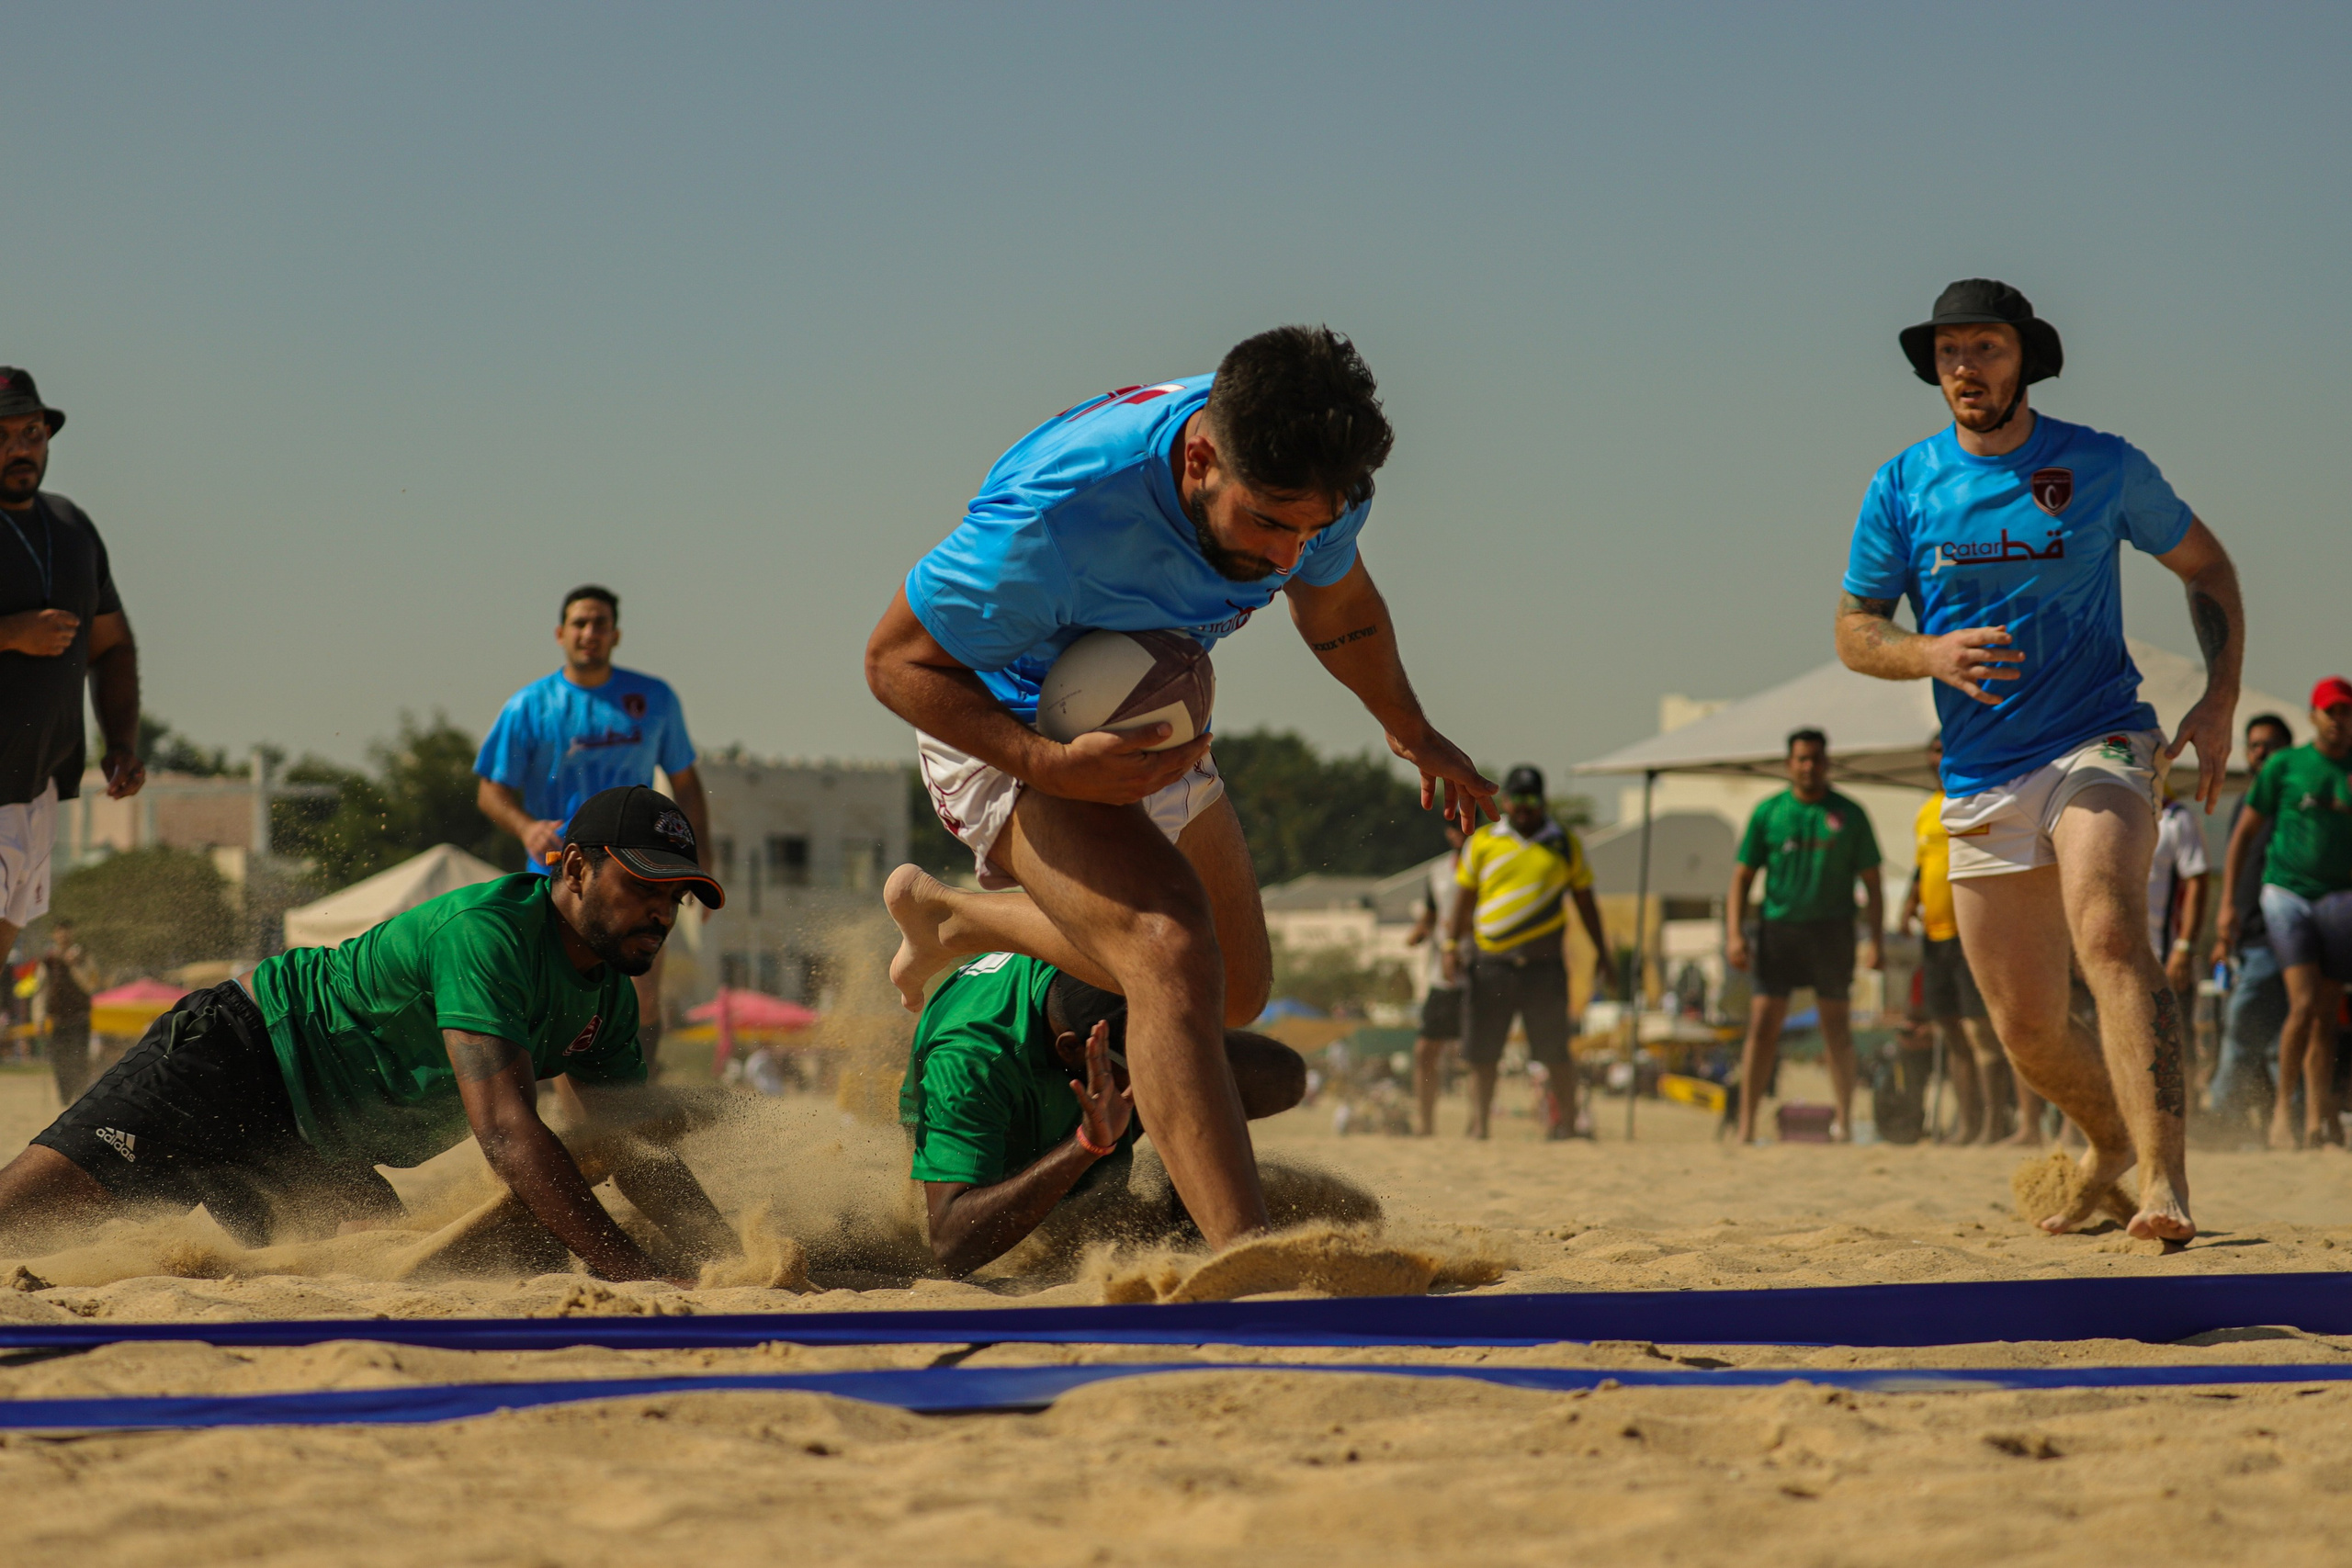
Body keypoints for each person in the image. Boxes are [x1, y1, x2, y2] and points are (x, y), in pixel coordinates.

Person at [865, 326, 1492, 1247]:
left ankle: (958, 919)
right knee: (1166, 948)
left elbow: (1338, 601)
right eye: (1269, 524)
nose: (1289, 555)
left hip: (1145, 708)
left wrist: (1410, 727)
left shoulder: (1309, 474)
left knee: (1232, 992)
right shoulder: (1053, 523)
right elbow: (894, 664)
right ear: (1200, 461)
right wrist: (1048, 764)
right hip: (1004, 724)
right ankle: (1248, 1255)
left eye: (1310, 529)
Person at [1837, 279, 2243, 1241]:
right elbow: (1855, 629)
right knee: (2024, 1028)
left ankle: (2165, 1183)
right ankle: (2108, 1141)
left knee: (2107, 929)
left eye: (1985, 347)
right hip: (1981, 770)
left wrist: (2220, 695)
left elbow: (2207, 566)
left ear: (2025, 359)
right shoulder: (1902, 484)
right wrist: (1926, 654)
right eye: (1949, 351)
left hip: (2099, 734)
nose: (1964, 367)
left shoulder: (2100, 464)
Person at [0, 787, 733, 1279]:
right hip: (235, 1054)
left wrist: (727, 1258)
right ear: (574, 866)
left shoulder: (609, 999)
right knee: (13, 1225)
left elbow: (634, 1148)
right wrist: (634, 1271)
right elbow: (508, 1135)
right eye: (643, 884)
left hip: (315, 1148)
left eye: (676, 896)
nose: (661, 911)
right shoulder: (490, 934)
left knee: (399, 1271)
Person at [901, 953, 1306, 1276]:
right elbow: (950, 1244)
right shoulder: (970, 1067)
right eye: (1140, 1064)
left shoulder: (1095, 956)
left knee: (1267, 1076)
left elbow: (1285, 1076)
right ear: (1071, 1048)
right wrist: (1084, 1146)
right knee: (1072, 1206)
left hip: (1051, 1070)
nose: (1159, 1077)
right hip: (994, 1112)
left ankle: (1186, 1207)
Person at [475, 585, 711, 1070]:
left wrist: (699, 863)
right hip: (558, 872)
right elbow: (490, 792)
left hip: (636, 869)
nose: (590, 632)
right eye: (580, 623)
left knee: (643, 992)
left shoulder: (654, 698)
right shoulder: (528, 705)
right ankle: (559, 1104)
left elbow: (687, 785)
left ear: (615, 635)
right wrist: (526, 827)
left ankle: (638, 1096)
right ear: (560, 633)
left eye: (600, 623)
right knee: (560, 1002)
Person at [0, 367, 144, 983]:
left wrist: (121, 743)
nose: (20, 448)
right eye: (2, 435)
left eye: (32, 432)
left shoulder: (71, 527)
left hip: (38, 791)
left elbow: (112, 646)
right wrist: (11, 632)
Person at [1726, 729, 1885, 1142]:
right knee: (1763, 1025)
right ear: (1789, 764)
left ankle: (1845, 1122)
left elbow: (1873, 881)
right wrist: (1734, 934)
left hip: (1833, 929)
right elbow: (1741, 877)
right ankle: (1745, 1126)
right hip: (1778, 929)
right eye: (1801, 759)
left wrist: (1877, 940)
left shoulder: (1849, 813)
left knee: (1836, 1028)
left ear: (1826, 763)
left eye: (1816, 758)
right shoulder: (1769, 812)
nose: (1809, 766)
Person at [1442, 766, 1615, 1140]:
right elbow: (1463, 900)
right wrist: (1451, 946)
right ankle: (1480, 1127)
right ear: (1505, 801)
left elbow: (1586, 904)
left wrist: (1603, 952)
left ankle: (1568, 1127)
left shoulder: (1564, 843)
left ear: (1543, 800)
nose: (1524, 807)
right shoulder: (1483, 841)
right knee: (1482, 1053)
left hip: (1544, 968)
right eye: (1517, 799)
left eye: (1531, 799)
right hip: (1491, 965)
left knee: (1556, 1053)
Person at [2217, 679, 2352, 1150]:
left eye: (2347, 711)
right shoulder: (2286, 766)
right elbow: (2243, 835)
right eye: (2331, 711)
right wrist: (2227, 903)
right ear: (2313, 716)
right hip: (2287, 895)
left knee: (2326, 1014)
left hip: (2340, 899)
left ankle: (2316, 1118)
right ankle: (2279, 1115)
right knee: (2303, 1005)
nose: (2339, 720)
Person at [1900, 735, 2026, 1145]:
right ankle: (1968, 1125)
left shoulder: (1981, 800)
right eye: (1935, 751)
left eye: (1946, 748)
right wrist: (1908, 904)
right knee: (1952, 1035)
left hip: (1975, 935)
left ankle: (1993, 1124)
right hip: (1934, 937)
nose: (1941, 757)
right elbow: (1923, 867)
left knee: (1981, 1035)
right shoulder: (1927, 810)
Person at [2207, 712, 2296, 1134]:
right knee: (2251, 1033)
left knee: (2263, 1033)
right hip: (2249, 938)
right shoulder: (2245, 803)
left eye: (2270, 745)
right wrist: (2226, 928)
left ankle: (2233, 1118)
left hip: (2287, 934)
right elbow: (2238, 873)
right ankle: (2238, 1121)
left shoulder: (2293, 801)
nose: (2261, 752)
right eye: (2254, 745)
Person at [1403, 821, 1469, 1135]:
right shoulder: (1439, 871)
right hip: (1441, 974)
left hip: (1477, 966)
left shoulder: (1488, 865)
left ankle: (1477, 1124)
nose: (1459, 832)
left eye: (1465, 826)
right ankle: (1426, 1124)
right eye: (1454, 826)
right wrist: (1420, 930)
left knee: (1476, 1054)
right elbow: (1432, 912)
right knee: (1425, 1051)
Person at [2147, 783, 2212, 1093]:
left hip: (2164, 954)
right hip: (2119, 955)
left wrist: (2184, 948)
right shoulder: (2115, 813)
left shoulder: (2177, 818)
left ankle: (2185, 1112)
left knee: (2173, 1037)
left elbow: (2198, 882)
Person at [37, 918, 100, 1108]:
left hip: (80, 1018)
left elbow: (90, 986)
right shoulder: (48, 961)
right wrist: (39, 1019)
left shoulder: (83, 957)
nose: (63, 935)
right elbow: (41, 991)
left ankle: (80, 1098)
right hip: (58, 1020)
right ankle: (64, 1100)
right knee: (59, 1062)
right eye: (59, 931)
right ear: (54, 935)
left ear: (72, 933)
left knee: (80, 1060)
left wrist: (73, 966)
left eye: (66, 931)